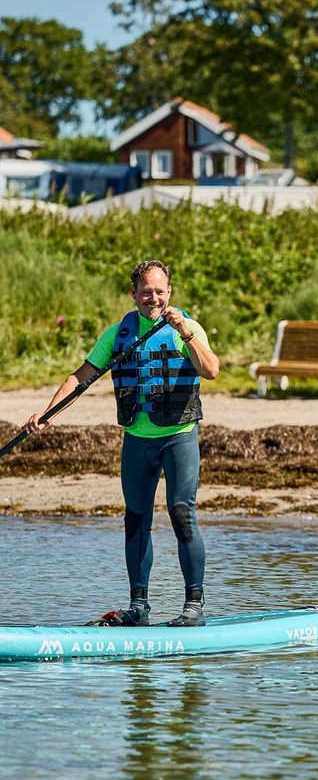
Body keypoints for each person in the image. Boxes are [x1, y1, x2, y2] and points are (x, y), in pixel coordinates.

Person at [24, 258, 219, 627]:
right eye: (146, 291)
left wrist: (187, 333)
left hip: (178, 436)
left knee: (181, 514)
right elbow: (78, 377)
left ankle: (193, 606)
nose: (153, 298)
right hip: (136, 441)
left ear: (169, 293)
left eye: (160, 291)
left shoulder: (186, 327)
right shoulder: (118, 334)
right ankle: (139, 608)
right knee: (136, 519)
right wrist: (45, 414)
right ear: (134, 293)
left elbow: (211, 370)